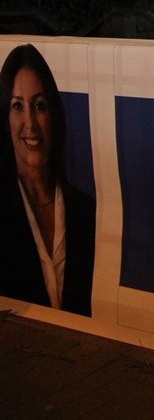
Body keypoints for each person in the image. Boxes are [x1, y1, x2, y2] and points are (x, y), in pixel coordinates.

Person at [0, 44, 95, 316]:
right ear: (5, 120)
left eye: (39, 106)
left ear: (53, 115)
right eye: (17, 106)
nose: (30, 123)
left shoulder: (88, 211)